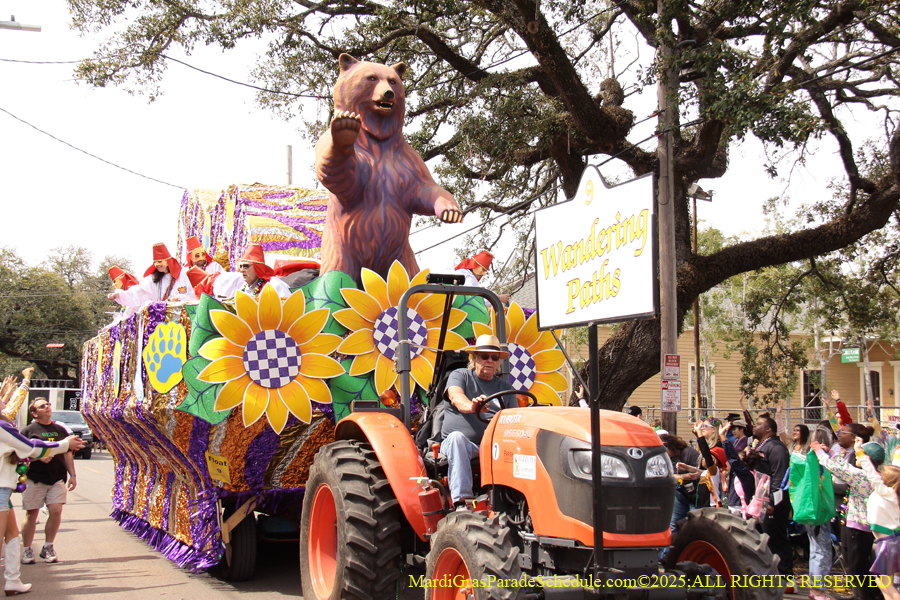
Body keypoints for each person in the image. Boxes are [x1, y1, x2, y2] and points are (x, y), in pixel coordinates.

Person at [0, 392, 83, 594]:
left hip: (6, 490)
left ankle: (12, 580)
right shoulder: (3, 428)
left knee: (12, 534)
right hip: (3, 489)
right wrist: (64, 445)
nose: (4, 403)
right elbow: (30, 447)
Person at [441, 335, 517, 508]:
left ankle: (516, 503)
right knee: (457, 438)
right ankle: (462, 502)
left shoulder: (506, 388)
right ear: (474, 358)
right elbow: (456, 397)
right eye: (484, 356)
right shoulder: (460, 376)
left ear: (498, 362)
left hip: (492, 446)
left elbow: (515, 418)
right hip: (461, 445)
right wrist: (473, 407)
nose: (489, 360)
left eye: (494, 357)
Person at [812, 434, 879, 600]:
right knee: (858, 564)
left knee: (857, 568)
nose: (856, 457)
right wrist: (831, 453)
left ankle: (863, 597)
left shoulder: (863, 476)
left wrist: (819, 452)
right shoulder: (871, 475)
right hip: (857, 525)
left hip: (859, 526)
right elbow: (846, 467)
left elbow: (838, 469)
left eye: (860, 455)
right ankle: (869, 595)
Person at [19, 399, 80, 565]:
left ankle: (48, 547)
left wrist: (72, 474)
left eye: (48, 405)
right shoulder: (28, 431)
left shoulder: (60, 430)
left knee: (56, 510)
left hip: (57, 478)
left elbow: (67, 452)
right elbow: (20, 455)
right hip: (35, 478)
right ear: (34, 413)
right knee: (32, 514)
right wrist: (38, 457)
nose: (47, 407)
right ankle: (27, 549)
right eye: (42, 406)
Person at [854, 436, 900, 600]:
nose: (879, 476)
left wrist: (859, 452)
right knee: (883, 583)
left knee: (885, 584)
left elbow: (871, 473)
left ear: (887, 481)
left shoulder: (885, 492)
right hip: (890, 541)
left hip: (887, 543)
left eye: (883, 476)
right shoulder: (893, 495)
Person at [752, 415, 793, 588]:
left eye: (759, 424)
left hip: (773, 504)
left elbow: (780, 477)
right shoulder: (761, 446)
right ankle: (768, 577)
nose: (754, 426)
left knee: (776, 539)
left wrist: (772, 502)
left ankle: (786, 579)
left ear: (769, 429)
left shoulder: (776, 448)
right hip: (760, 501)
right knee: (762, 540)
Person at [108, 243, 195, 307]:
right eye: (155, 262)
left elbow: (196, 293)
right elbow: (138, 292)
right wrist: (119, 295)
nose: (157, 265)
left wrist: (179, 298)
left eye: (160, 261)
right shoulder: (153, 279)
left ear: (168, 261)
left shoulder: (184, 273)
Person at [224, 244, 291, 298]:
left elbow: (288, 303)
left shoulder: (274, 284)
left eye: (246, 266)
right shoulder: (244, 287)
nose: (242, 270)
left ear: (257, 268)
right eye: (240, 266)